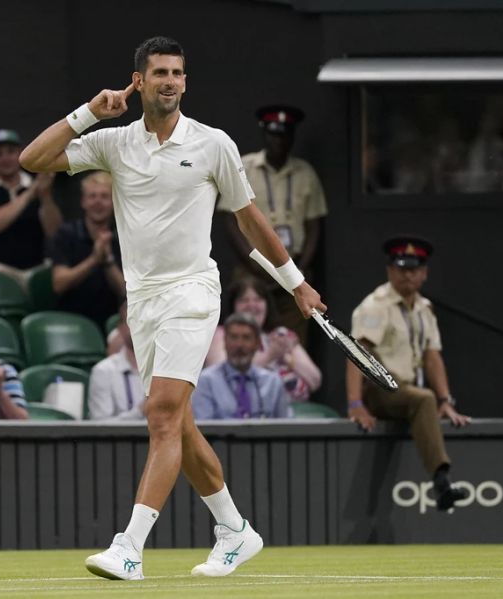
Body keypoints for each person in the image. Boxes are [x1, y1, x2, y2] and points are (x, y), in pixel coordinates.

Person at [20, 35, 325, 581]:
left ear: (186, 81)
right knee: (178, 424)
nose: (170, 81)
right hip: (143, 301)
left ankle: (130, 547)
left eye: (178, 73)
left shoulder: (214, 145)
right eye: (159, 72)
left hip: (193, 291)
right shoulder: (113, 143)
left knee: (160, 413)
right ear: (138, 81)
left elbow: (250, 220)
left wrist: (296, 283)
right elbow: (32, 159)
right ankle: (234, 529)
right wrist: (90, 111)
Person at [347, 235, 471, 512]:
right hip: (380, 389)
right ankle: (442, 483)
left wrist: (446, 401)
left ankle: (442, 483)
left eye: (414, 269)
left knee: (423, 398)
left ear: (424, 273)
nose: (408, 275)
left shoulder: (424, 309)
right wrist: (355, 404)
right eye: (401, 268)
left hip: (407, 391)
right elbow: (356, 352)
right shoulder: (376, 305)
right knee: (423, 399)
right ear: (390, 270)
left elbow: (432, 357)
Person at [223, 105, 328, 344]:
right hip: (253, 266)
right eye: (273, 135)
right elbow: (230, 220)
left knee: (293, 339)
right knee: (246, 333)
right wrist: (254, 264)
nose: (278, 141)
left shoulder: (305, 173)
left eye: (284, 135)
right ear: (264, 135)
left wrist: (299, 268)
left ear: (292, 137)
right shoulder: (245, 166)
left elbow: (314, 227)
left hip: (294, 265)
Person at [206, 276, 321, 402]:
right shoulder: (222, 334)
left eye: (258, 299)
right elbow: (220, 379)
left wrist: (287, 359)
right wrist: (270, 355)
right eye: (244, 300)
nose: (252, 305)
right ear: (234, 306)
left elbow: (315, 380)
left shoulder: (281, 335)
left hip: (293, 408)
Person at [0, 129, 62, 272]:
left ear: (21, 154)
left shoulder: (37, 183)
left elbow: (54, 231)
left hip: (33, 269)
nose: (5, 158)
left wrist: (45, 196)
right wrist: (30, 193)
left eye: (11, 151)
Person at [49, 171, 126, 331]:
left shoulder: (124, 237)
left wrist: (107, 261)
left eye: (104, 197)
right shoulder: (66, 234)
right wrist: (93, 260)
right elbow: (59, 284)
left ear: (113, 202)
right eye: (92, 196)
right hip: (70, 320)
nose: (98, 202)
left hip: (113, 323)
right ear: (83, 202)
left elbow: (127, 292)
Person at [193, 313, 291, 419]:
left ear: (257, 343)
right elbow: (203, 428)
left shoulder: (272, 382)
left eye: (246, 338)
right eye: (233, 337)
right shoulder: (206, 381)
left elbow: (286, 428)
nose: (239, 345)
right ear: (225, 341)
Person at [89, 304, 145, 420]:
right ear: (120, 328)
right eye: (132, 322)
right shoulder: (104, 371)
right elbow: (100, 427)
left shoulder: (166, 369)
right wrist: (142, 410)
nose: (139, 328)